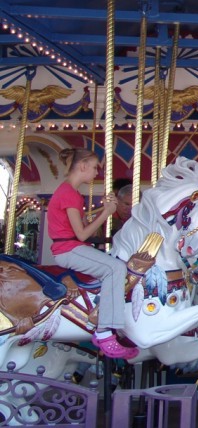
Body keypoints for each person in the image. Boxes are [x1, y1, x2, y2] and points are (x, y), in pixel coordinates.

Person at [47, 148, 139, 359]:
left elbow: (82, 228)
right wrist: (106, 213)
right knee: (116, 268)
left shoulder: (69, 192)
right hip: (69, 249)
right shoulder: (69, 193)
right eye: (96, 167)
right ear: (83, 166)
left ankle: (104, 319)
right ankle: (105, 332)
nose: (97, 172)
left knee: (113, 265)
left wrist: (102, 211)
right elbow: (82, 235)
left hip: (71, 247)